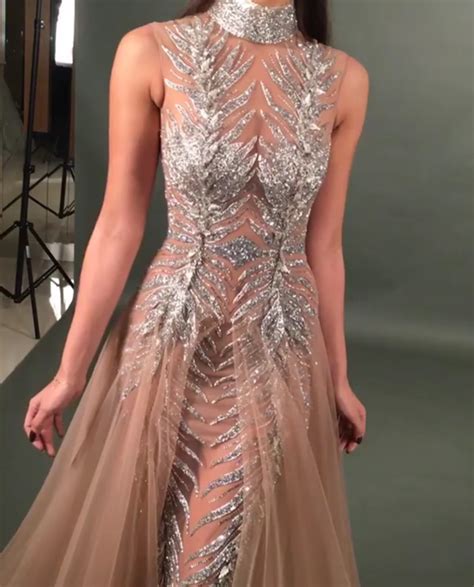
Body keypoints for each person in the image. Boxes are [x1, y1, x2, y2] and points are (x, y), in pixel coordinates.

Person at [0, 0, 369, 584]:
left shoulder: (344, 78)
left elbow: (325, 246)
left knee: (220, 551)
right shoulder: (150, 50)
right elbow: (119, 224)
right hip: (173, 336)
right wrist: (70, 373)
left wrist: (340, 378)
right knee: (151, 536)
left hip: (279, 346)